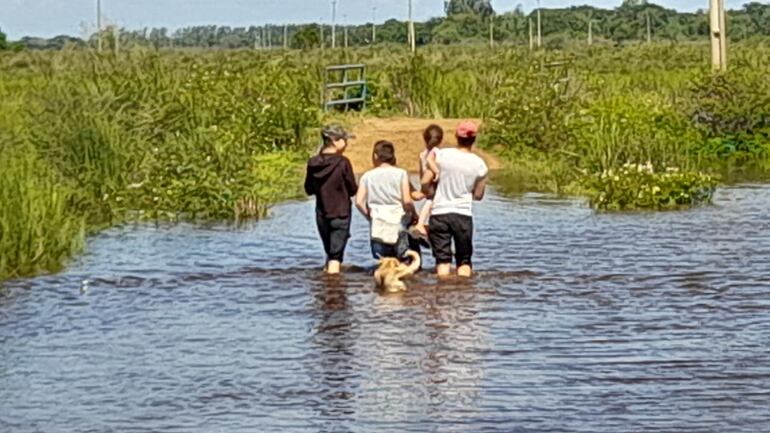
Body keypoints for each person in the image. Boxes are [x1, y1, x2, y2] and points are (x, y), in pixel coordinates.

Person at [422, 121, 488, 278]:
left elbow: (426, 176)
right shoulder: (480, 164)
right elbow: (478, 196)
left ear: (456, 136)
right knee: (464, 261)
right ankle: (463, 297)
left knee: (442, 261)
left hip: (439, 213)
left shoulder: (443, 155)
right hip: (462, 214)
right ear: (474, 139)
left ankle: (443, 294)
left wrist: (432, 184)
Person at [304, 125, 358, 274]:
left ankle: (324, 290)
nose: (346, 143)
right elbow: (353, 189)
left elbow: (308, 189)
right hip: (340, 213)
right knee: (335, 256)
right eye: (344, 140)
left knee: (329, 252)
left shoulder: (313, 163)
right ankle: (334, 290)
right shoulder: (342, 162)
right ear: (335, 141)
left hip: (322, 214)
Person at [355, 140, 418, 261]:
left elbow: (358, 202)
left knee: (383, 263)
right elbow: (407, 201)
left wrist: (368, 216)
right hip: (398, 221)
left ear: (375, 156)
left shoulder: (367, 176)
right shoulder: (401, 174)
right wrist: (414, 214)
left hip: (377, 224)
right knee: (402, 261)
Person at [410, 124, 444, 240]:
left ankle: (424, 223)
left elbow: (421, 172)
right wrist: (437, 172)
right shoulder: (437, 152)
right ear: (440, 139)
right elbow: (431, 163)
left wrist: (422, 187)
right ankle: (421, 223)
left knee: (429, 202)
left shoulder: (422, 154)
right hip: (433, 182)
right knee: (431, 201)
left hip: (425, 183)